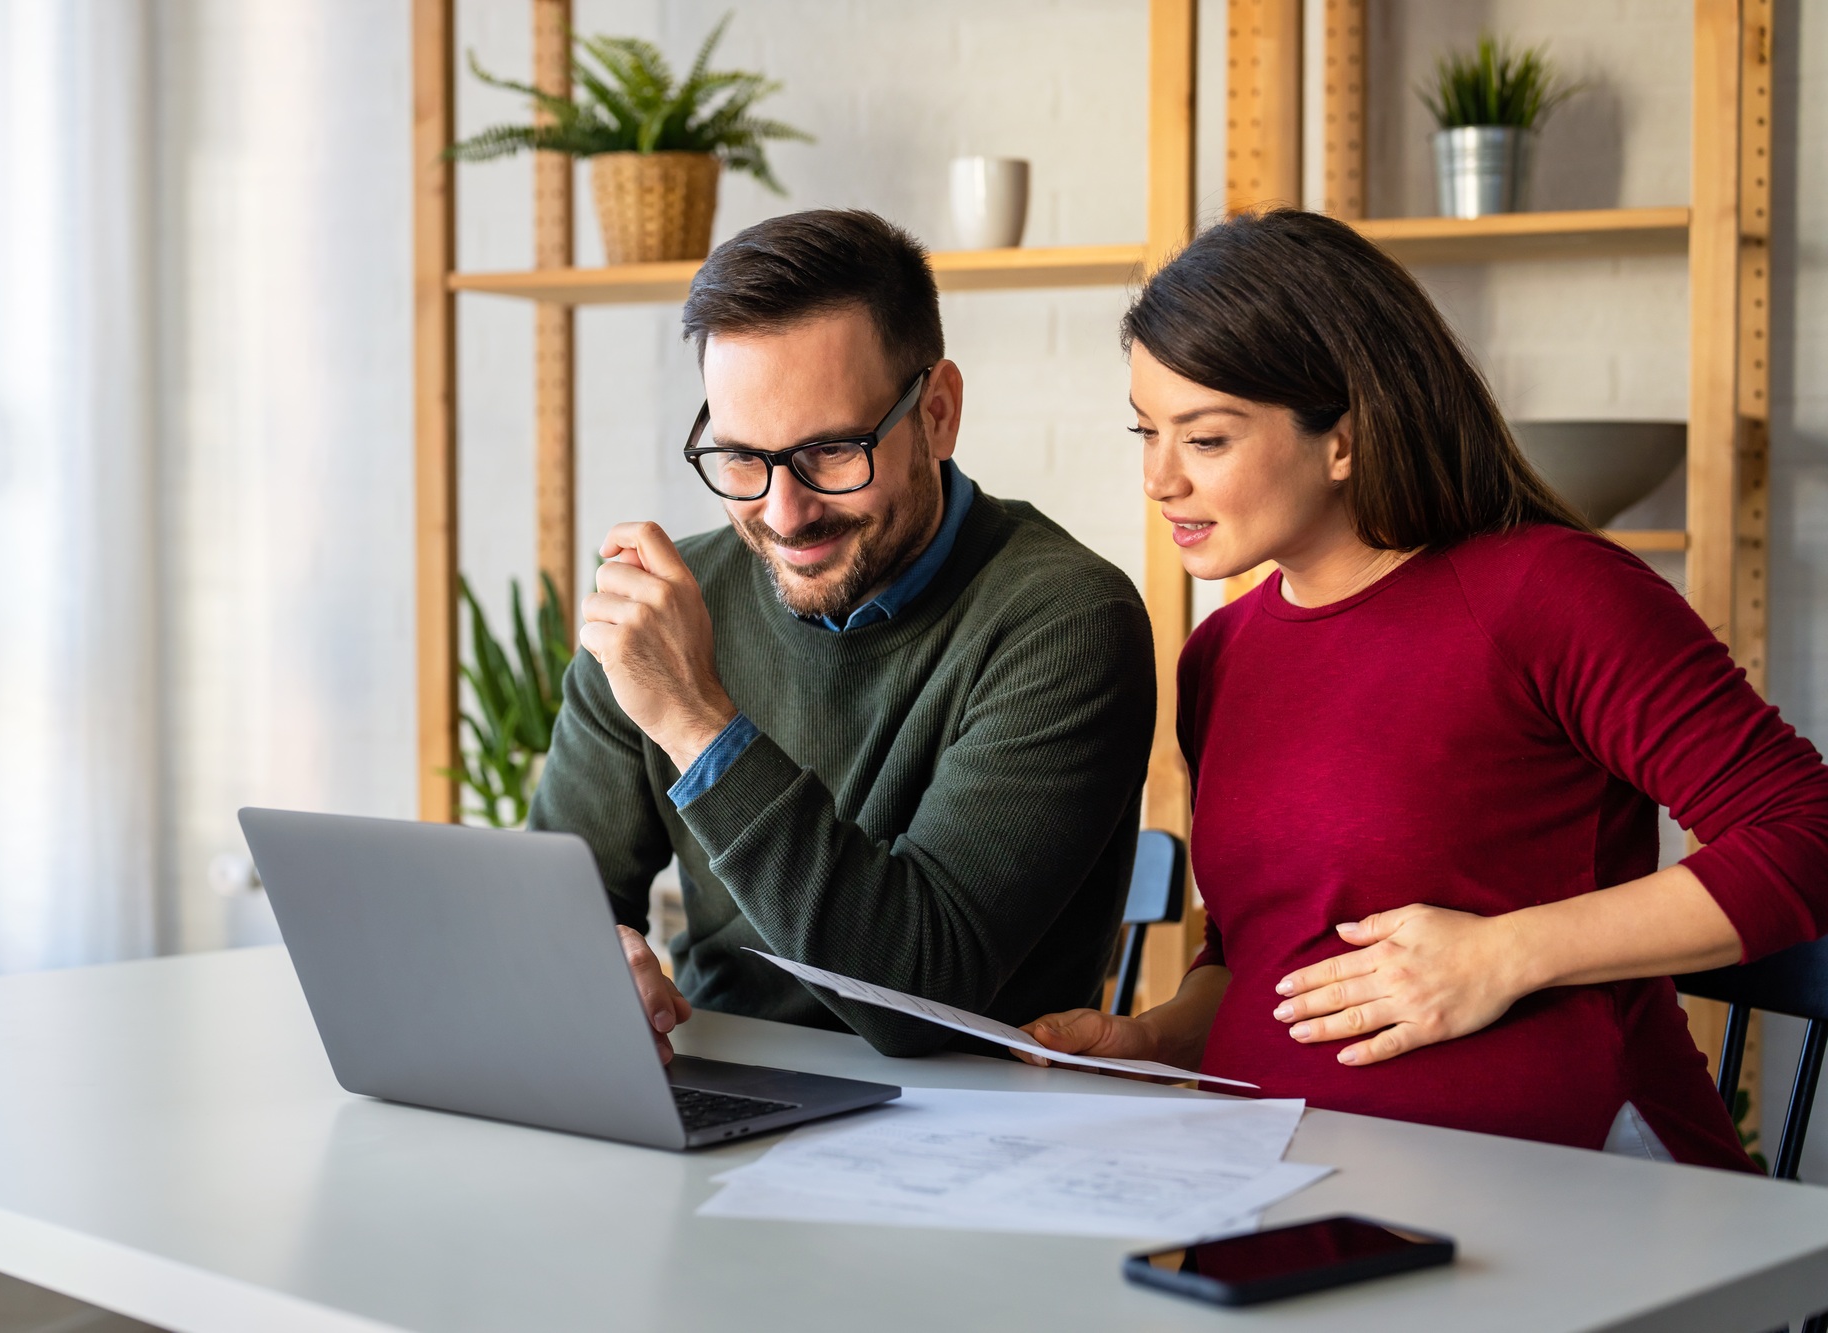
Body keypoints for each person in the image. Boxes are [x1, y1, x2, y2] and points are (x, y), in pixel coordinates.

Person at [1021, 207, 1828, 1171]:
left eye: (1205, 439)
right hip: (1273, 1189)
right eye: (1146, 431)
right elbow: (1262, 951)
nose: (1159, 479)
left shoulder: (1550, 593)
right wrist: (1155, 1039)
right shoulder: (1221, 654)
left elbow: (1807, 834)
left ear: (1343, 440)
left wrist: (1504, 955)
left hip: (1564, 1194)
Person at [529, 209, 1157, 1060]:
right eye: (741, 457)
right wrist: (592, 956)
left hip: (969, 1113)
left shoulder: (1069, 621)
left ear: (938, 413)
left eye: (830, 452)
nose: (784, 514)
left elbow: (918, 993)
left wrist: (696, 721)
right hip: (723, 1074)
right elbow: (553, 909)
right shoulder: (668, 608)